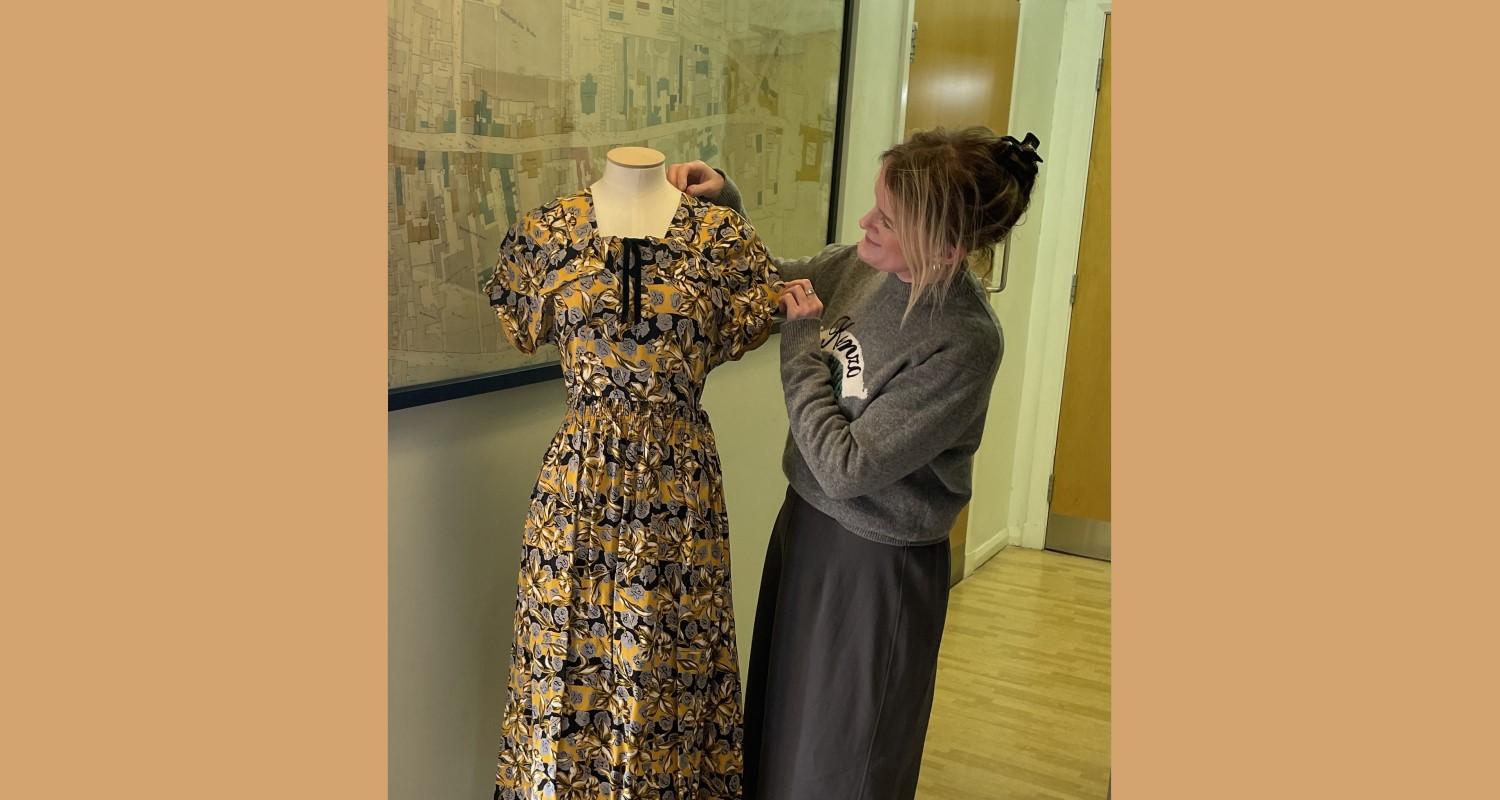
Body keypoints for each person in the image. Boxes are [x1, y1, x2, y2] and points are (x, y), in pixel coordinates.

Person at [667, 126, 1043, 800]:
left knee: (843, 766)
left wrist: (798, 349)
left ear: (948, 248)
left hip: (877, 568)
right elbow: (775, 282)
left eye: (888, 219)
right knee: (780, 740)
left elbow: (847, 467)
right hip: (806, 530)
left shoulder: (962, 341)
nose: (865, 222)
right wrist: (726, 205)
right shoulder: (865, 266)